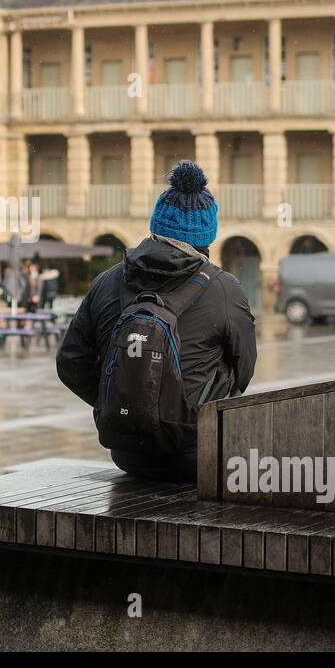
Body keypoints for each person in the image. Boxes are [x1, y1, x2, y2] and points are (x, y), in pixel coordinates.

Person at [56, 160, 257, 482]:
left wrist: (122, 400)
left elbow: (70, 361)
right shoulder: (224, 288)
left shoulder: (108, 280)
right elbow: (243, 369)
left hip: (128, 452)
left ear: (156, 226)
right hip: (195, 450)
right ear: (207, 235)